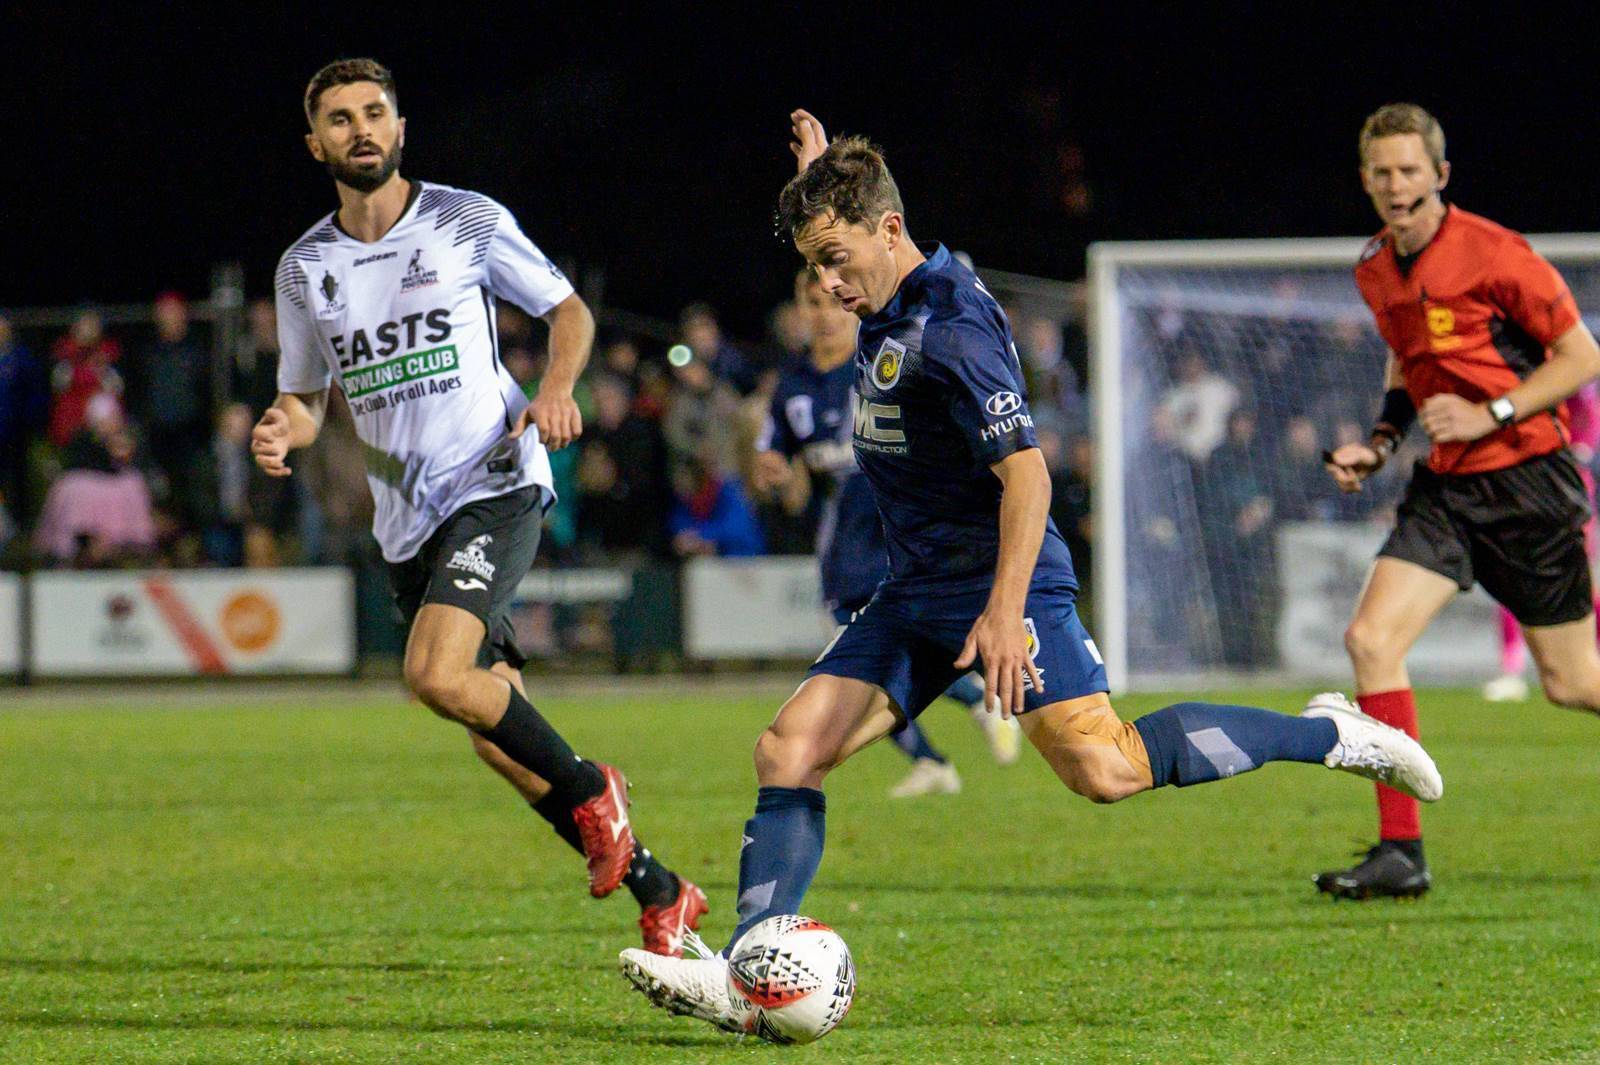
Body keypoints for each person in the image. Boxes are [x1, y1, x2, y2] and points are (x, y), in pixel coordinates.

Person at [617, 111, 1442, 1035]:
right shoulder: (883, 282)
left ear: (890, 232)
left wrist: (1005, 615)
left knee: (1104, 767)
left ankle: (1325, 732)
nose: (829, 284)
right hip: (917, 588)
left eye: (839, 260)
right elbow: (854, 226)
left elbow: (1029, 474)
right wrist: (818, 182)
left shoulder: (953, 328)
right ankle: (749, 969)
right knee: (788, 750)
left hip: (1000, 582)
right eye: (817, 266)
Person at [252, 58, 704, 955]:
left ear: (401, 125)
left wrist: (559, 388)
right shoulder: (305, 270)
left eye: (374, 112)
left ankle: (595, 793)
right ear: (317, 145)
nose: (361, 130)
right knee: (499, 737)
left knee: (434, 674)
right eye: (340, 120)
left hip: (494, 479)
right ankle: (663, 888)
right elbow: (307, 399)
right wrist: (282, 428)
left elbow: (568, 310)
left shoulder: (465, 220)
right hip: (406, 522)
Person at [1320, 103, 1600, 899]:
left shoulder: (1495, 253)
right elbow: (1408, 365)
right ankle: (1400, 851)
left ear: (1440, 176)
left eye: (1409, 170)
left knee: (1574, 683)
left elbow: (1581, 356)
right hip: (1446, 487)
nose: (1394, 184)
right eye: (1381, 172)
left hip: (1528, 484)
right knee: (1371, 639)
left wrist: (1493, 411)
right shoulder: (1375, 266)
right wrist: (1377, 443)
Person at [753, 268, 1020, 799]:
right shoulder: (791, 385)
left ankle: (972, 711)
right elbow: (772, 457)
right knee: (864, 658)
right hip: (844, 540)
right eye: (813, 304)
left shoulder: (881, 357)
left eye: (833, 303)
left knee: (881, 651)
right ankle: (938, 752)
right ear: (801, 311)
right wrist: (771, 469)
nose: (825, 315)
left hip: (895, 526)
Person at [1484, 382, 1600, 702]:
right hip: (1519, 481)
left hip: (1566, 486)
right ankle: (1511, 671)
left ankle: (1589, 663)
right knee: (1508, 579)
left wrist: (1580, 450)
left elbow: (1588, 410)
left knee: (1579, 584)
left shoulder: (1569, 364)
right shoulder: (1514, 364)